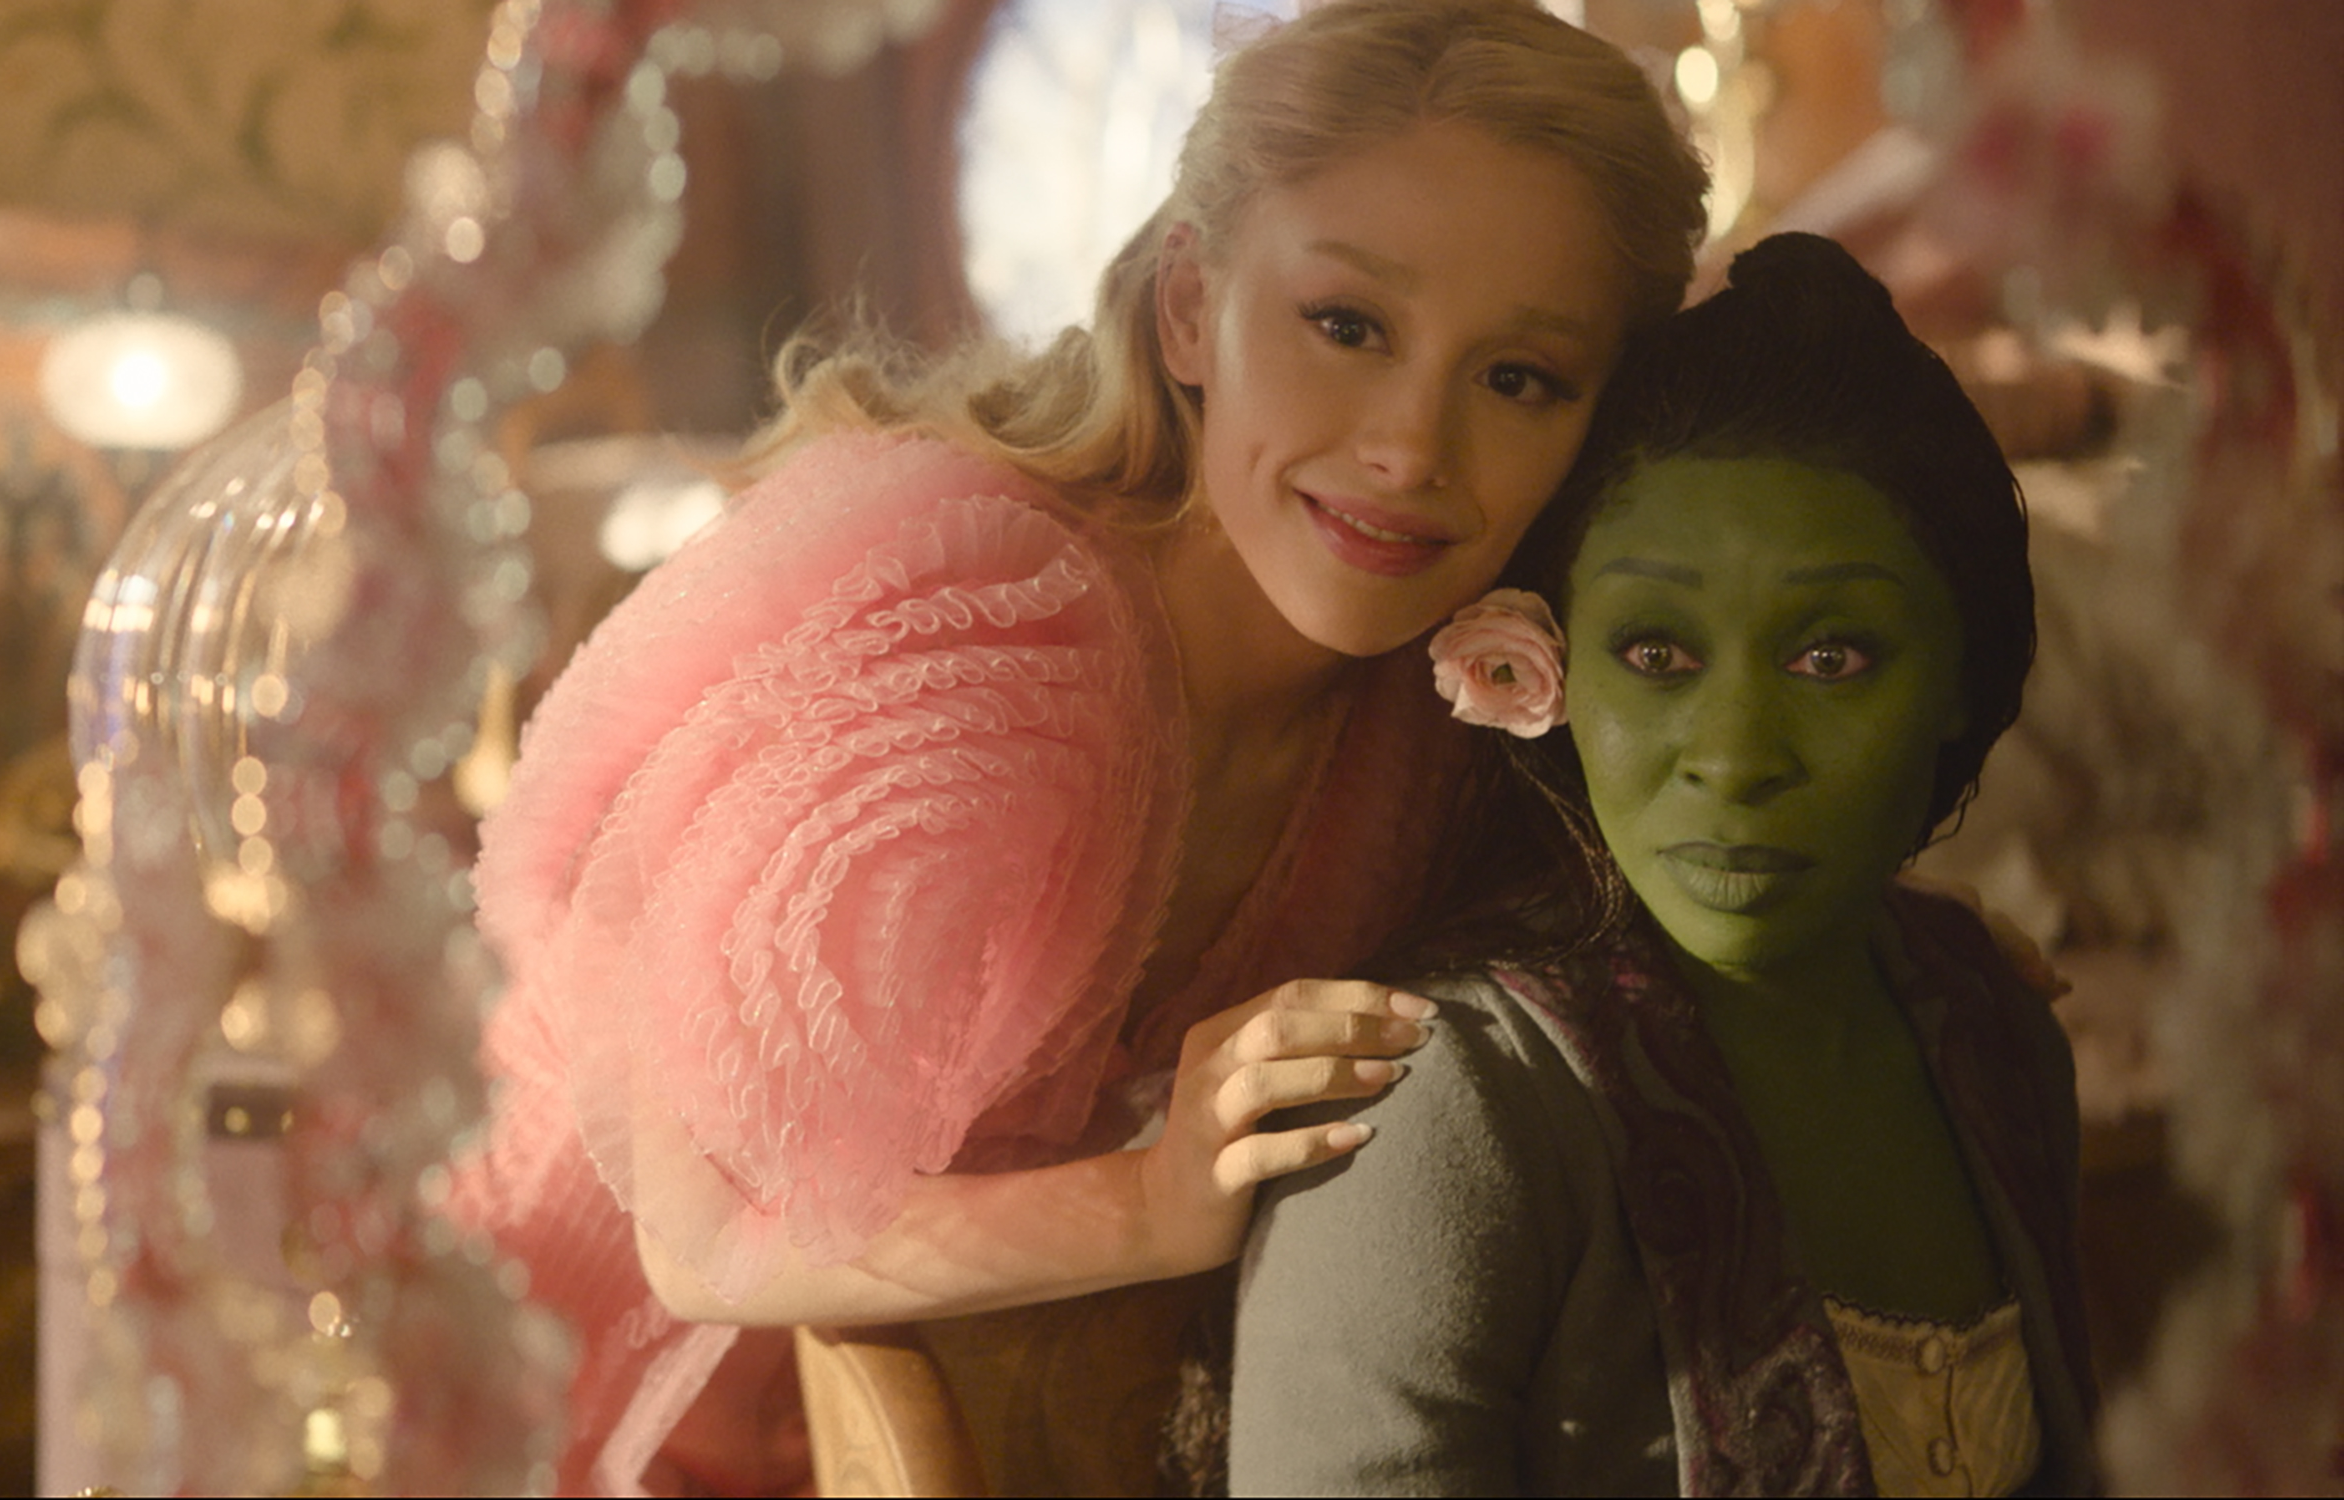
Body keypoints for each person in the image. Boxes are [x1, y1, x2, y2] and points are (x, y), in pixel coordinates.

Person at [446, 1, 1711, 1491]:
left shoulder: (1427, 720)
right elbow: (704, 1234)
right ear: (1187, 307)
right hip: (557, 1416)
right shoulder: (989, 676)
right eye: (1345, 325)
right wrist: (1150, 1200)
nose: (1408, 446)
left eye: (1517, 378)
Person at [1226, 232, 2090, 1495]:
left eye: (1830, 658)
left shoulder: (1994, 1026)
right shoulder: (1440, 1108)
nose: (1732, 759)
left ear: (1957, 674)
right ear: (1544, 669)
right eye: (1653, 655)